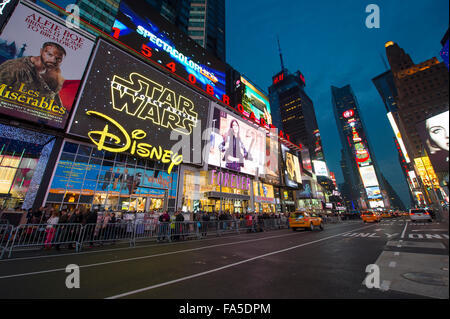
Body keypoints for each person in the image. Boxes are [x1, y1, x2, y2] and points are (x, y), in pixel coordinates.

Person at [0, 42, 66, 107]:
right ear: (41, 52)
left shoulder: (53, 76)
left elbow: (56, 101)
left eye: (58, 59)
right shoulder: (15, 67)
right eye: (50, 55)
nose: (53, 60)